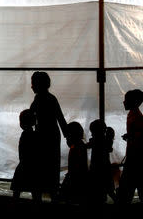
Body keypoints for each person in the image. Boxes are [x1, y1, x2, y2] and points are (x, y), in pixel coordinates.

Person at [29, 71, 68, 202]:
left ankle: (40, 195)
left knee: (40, 167)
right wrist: (68, 136)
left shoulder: (38, 98)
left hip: (42, 135)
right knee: (52, 166)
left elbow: (30, 114)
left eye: (33, 83)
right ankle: (53, 194)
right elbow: (60, 118)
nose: (31, 86)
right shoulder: (51, 98)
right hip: (52, 135)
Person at [117, 89, 143, 205]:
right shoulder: (133, 115)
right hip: (138, 157)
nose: (124, 102)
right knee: (142, 187)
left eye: (126, 100)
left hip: (137, 158)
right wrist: (131, 136)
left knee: (129, 187)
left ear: (134, 102)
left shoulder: (137, 118)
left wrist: (131, 136)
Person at [11, 109, 40, 202]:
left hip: (23, 165)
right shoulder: (35, 135)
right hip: (33, 168)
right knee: (35, 191)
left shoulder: (25, 135)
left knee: (17, 190)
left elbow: (22, 153)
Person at [86, 119, 116, 204]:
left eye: (92, 132)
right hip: (106, 168)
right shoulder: (105, 140)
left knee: (97, 191)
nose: (91, 134)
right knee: (109, 190)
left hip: (96, 169)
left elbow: (87, 146)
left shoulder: (97, 141)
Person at [60, 121, 88, 205]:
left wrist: (68, 178)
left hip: (75, 180)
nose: (66, 140)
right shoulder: (81, 145)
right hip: (82, 179)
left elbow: (74, 167)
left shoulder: (74, 148)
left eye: (67, 137)